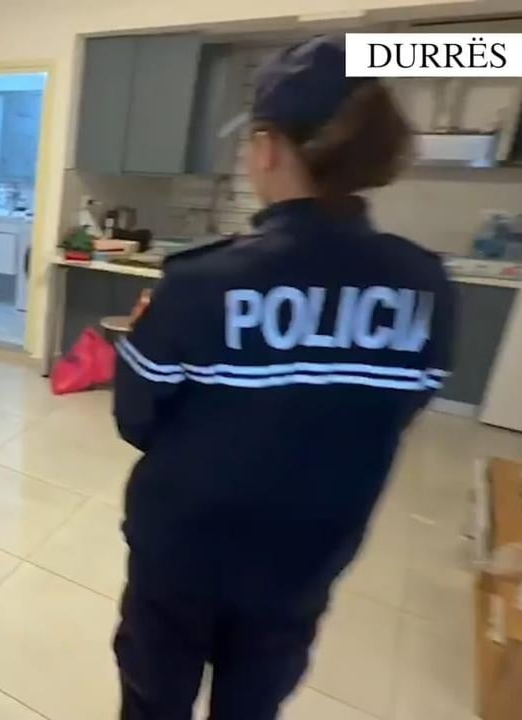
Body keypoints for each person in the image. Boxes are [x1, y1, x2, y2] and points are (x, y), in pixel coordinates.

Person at [111, 36, 453, 719]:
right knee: (253, 706)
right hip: (306, 560)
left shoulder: (201, 281)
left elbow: (135, 417)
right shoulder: (425, 285)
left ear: (267, 148)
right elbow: (401, 407)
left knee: (155, 702)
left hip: (183, 555)